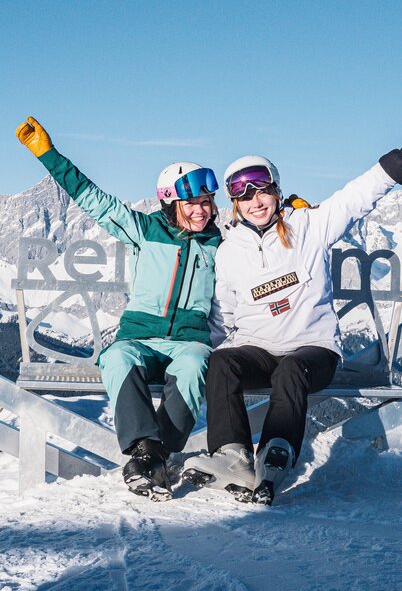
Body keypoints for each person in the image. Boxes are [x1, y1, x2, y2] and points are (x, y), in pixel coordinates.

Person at [16, 116, 222, 499]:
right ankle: (148, 451)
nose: (203, 211)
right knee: (116, 357)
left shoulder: (220, 244)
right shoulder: (144, 229)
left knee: (196, 364)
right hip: (141, 337)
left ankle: (155, 457)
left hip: (188, 341)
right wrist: (48, 155)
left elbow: (265, 227)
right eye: (193, 203)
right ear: (171, 202)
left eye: (207, 203)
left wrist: (294, 212)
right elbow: (93, 199)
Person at [184, 149, 402, 505]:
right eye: (243, 195)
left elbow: (355, 198)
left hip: (312, 351)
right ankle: (233, 456)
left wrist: (393, 165)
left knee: (290, 369)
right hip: (258, 348)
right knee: (223, 363)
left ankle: (275, 451)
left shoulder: (309, 227)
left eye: (261, 190)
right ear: (234, 203)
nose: (255, 201)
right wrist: (196, 358)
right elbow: (222, 315)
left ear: (276, 190)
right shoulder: (230, 251)